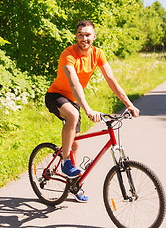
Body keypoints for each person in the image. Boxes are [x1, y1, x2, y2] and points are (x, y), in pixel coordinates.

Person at [45, 20, 139, 203]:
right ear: (76, 36)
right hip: (55, 96)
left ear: (94, 36)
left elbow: (111, 80)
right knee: (73, 115)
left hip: (73, 100)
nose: (84, 38)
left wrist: (129, 104)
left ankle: (74, 184)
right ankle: (65, 163)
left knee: (75, 144)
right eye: (80, 34)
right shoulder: (68, 54)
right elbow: (74, 83)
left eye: (87, 34)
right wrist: (87, 109)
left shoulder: (97, 54)